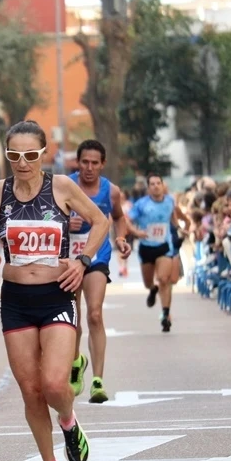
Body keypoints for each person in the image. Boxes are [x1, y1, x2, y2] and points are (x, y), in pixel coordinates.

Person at [0, 120, 110, 461]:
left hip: (57, 293)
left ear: (43, 154)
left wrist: (82, 262)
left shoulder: (62, 187)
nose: (22, 162)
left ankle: (68, 420)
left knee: (53, 385)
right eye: (14, 155)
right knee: (31, 392)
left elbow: (101, 221)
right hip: (15, 300)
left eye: (30, 155)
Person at [68, 140, 131, 404]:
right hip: (69, 258)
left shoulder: (111, 191)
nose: (89, 168)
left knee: (94, 314)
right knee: (72, 320)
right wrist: (64, 221)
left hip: (97, 256)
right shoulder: (65, 186)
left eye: (95, 163)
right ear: (78, 162)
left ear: (102, 164)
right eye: (85, 162)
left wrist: (120, 238)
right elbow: (47, 216)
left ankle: (97, 380)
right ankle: (75, 362)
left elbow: (118, 217)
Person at [128, 174, 191, 332]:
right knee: (149, 282)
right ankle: (152, 289)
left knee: (164, 279)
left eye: (158, 183)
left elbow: (173, 219)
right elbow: (126, 220)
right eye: (152, 184)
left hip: (164, 245)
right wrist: (136, 231)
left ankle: (165, 315)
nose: (156, 186)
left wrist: (179, 228)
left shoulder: (170, 201)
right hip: (146, 247)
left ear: (163, 185)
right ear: (148, 188)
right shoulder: (141, 204)